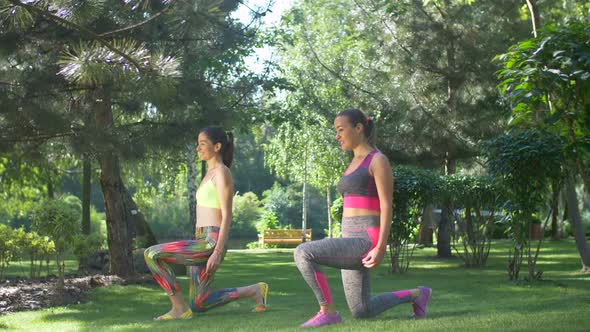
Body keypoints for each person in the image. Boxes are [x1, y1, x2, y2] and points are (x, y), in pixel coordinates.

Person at [294, 109, 432, 328]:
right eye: (335, 131)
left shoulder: (377, 160)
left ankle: (327, 311)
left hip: (366, 240)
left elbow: (387, 205)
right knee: (361, 310)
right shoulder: (353, 162)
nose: (337, 136)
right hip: (350, 238)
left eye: (341, 130)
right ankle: (418, 294)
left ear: (358, 128)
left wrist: (380, 246)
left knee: (303, 252)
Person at [144, 127, 269, 320]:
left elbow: (227, 214)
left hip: (211, 241)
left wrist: (217, 251)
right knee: (200, 302)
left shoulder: (221, 172)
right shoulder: (209, 173)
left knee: (152, 254)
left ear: (217, 146)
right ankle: (254, 291)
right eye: (198, 144)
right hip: (201, 237)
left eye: (203, 144)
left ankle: (178, 308)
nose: (198, 148)